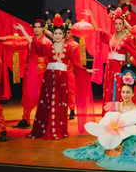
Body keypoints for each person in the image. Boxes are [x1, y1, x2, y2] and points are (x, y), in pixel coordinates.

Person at [16, 11, 97, 140]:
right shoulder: (48, 46)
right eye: (56, 34)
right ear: (53, 35)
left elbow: (76, 63)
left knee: (60, 103)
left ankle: (59, 128)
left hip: (62, 78)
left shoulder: (69, 48)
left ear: (64, 35)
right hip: (50, 77)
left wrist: (86, 70)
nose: (58, 36)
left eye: (60, 34)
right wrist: (23, 31)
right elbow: (34, 44)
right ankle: (46, 127)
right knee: (48, 103)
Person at [63, 63, 136, 162]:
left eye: (128, 92)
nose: (125, 95)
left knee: (123, 152)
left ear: (133, 93)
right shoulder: (115, 106)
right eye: (123, 92)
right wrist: (98, 142)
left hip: (127, 139)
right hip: (113, 136)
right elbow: (107, 127)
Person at [85, 5, 136, 104]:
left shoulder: (127, 38)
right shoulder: (110, 37)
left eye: (120, 24)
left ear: (123, 25)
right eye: (116, 24)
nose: (117, 26)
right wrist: (91, 16)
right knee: (109, 88)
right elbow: (97, 29)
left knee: (119, 88)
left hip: (120, 67)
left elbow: (135, 52)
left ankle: (120, 111)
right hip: (110, 67)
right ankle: (109, 112)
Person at [13, 19, 51, 129]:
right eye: (35, 27)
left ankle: (43, 119)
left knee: (40, 95)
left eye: (39, 27)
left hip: (41, 72)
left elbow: (34, 44)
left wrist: (22, 30)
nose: (37, 29)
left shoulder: (46, 42)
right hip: (29, 71)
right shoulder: (30, 40)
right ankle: (25, 118)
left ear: (44, 28)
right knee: (27, 94)